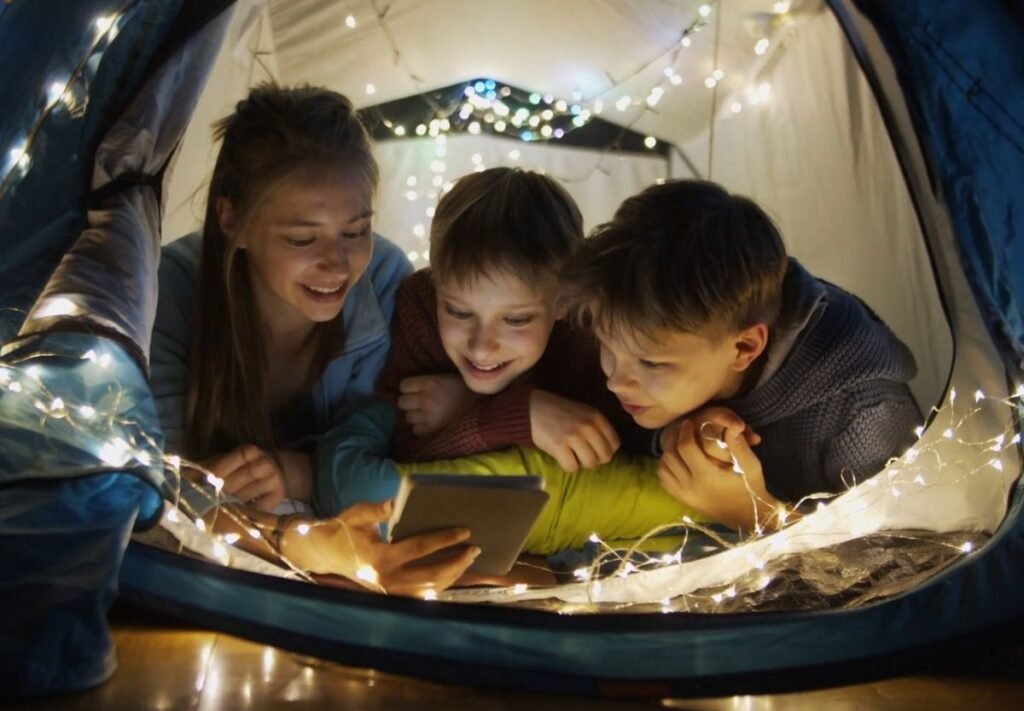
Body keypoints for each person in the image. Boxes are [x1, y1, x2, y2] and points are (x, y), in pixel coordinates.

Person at [150, 84, 478, 595]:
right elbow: (155, 488)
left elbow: (409, 445)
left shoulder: (389, 279)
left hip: (349, 545)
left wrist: (483, 403)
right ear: (231, 219)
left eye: (355, 232)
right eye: (302, 239)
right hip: (231, 564)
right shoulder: (168, 293)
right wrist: (305, 539)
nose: (339, 264)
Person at [562, 179, 923, 532]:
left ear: (745, 348)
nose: (615, 379)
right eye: (605, 345)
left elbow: (908, 554)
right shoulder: (666, 335)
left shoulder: (864, 415)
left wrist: (754, 514)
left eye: (651, 362)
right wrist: (672, 435)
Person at [376, 167, 648, 471]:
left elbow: (613, 447)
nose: (481, 348)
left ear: (565, 301)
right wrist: (524, 415)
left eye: (517, 320)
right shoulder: (420, 309)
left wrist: (478, 407)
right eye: (459, 312)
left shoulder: (590, 332)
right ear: (436, 285)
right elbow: (397, 459)